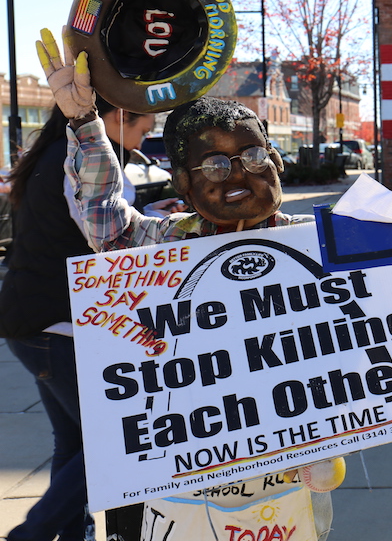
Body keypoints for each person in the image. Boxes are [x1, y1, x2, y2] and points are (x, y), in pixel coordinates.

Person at [34, 29, 341, 540]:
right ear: (183, 184)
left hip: (290, 496)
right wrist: (85, 122)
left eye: (252, 156)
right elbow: (106, 224)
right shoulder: (165, 245)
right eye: (214, 165)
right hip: (184, 493)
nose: (237, 175)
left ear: (277, 160)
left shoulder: (322, 247)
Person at [0, 94, 178, 541]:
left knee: (75, 443)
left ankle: (70, 536)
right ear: (117, 116)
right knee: (114, 443)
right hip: (58, 326)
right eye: (142, 128)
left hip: (33, 322)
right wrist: (163, 229)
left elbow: (79, 224)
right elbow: (107, 239)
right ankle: (31, 534)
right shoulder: (86, 159)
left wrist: (149, 214)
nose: (143, 139)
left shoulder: (55, 152)